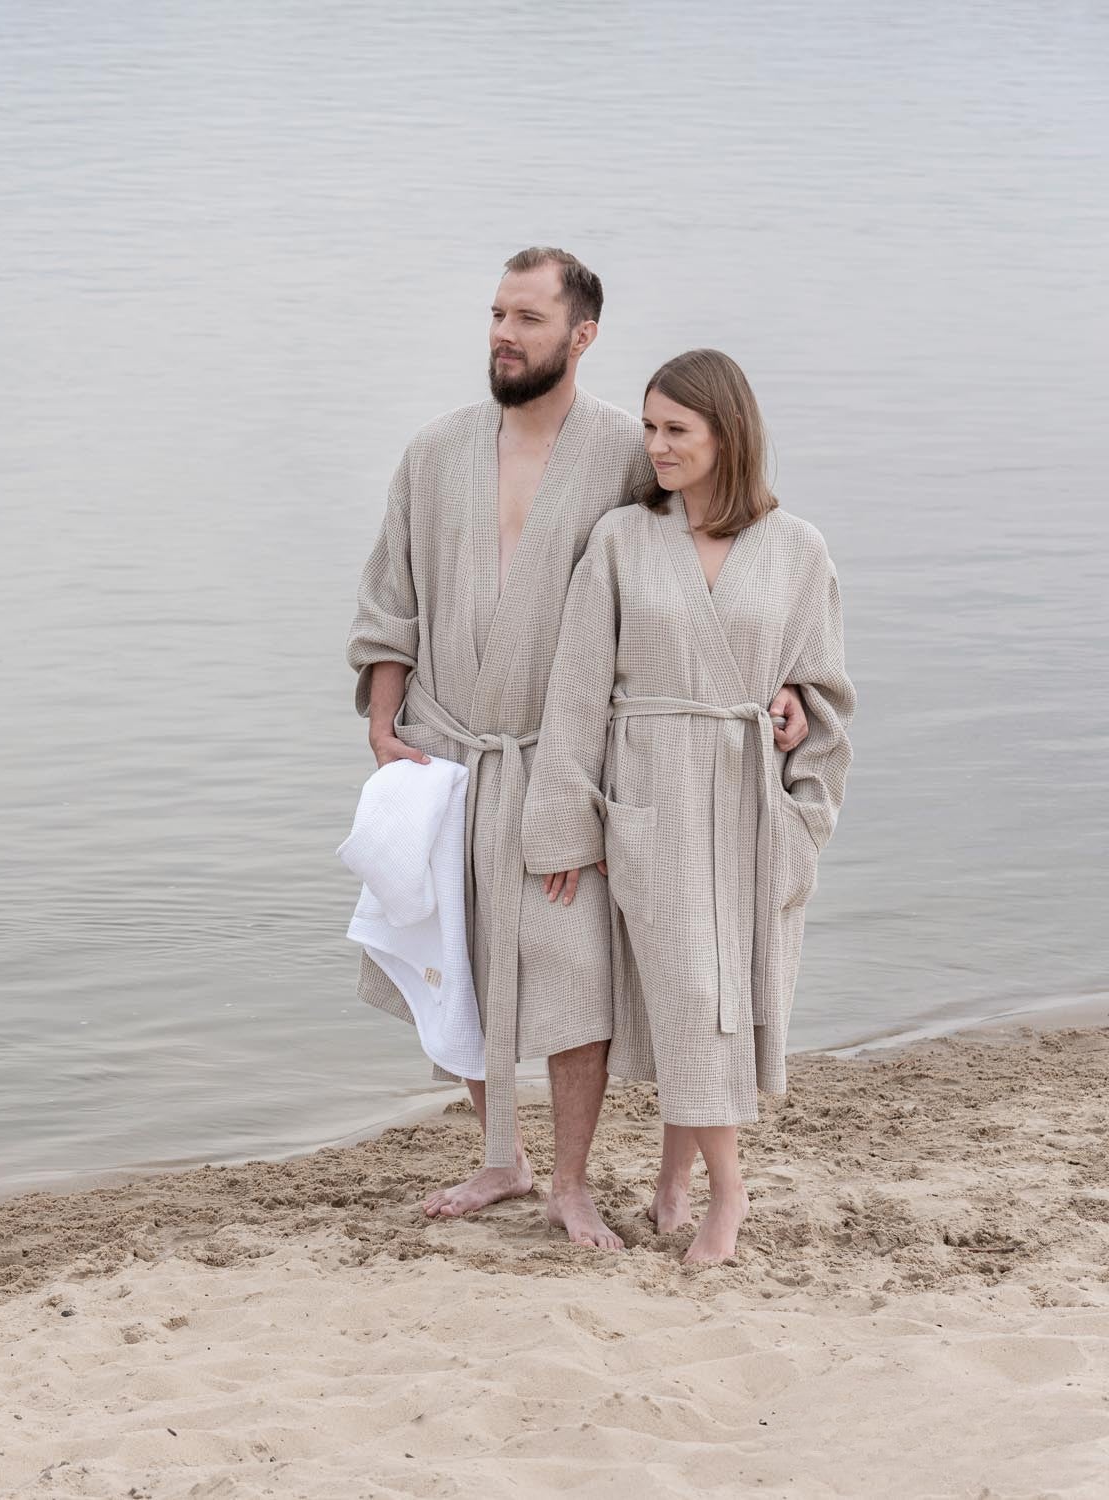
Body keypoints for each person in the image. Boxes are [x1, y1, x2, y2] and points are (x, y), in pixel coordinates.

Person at [347, 250, 812, 1251]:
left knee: (573, 973)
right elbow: (391, 597)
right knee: (454, 958)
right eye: (496, 314)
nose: (503, 335)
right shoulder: (434, 452)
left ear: (580, 334)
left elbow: (704, 558)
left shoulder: (621, 453)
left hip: (569, 760)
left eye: (527, 318)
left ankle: (568, 1180)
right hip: (443, 747)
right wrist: (383, 723)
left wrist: (773, 687)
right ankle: (500, 1157)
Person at [522, 348, 855, 1264]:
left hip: (750, 802)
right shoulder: (622, 538)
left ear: (727, 434)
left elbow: (825, 685)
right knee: (690, 990)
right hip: (652, 797)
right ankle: (729, 1192)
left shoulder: (797, 549)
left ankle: (675, 1180)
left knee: (719, 998)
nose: (657, 446)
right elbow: (577, 691)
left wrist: (802, 770)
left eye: (677, 430)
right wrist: (565, 823)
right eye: (649, 427)